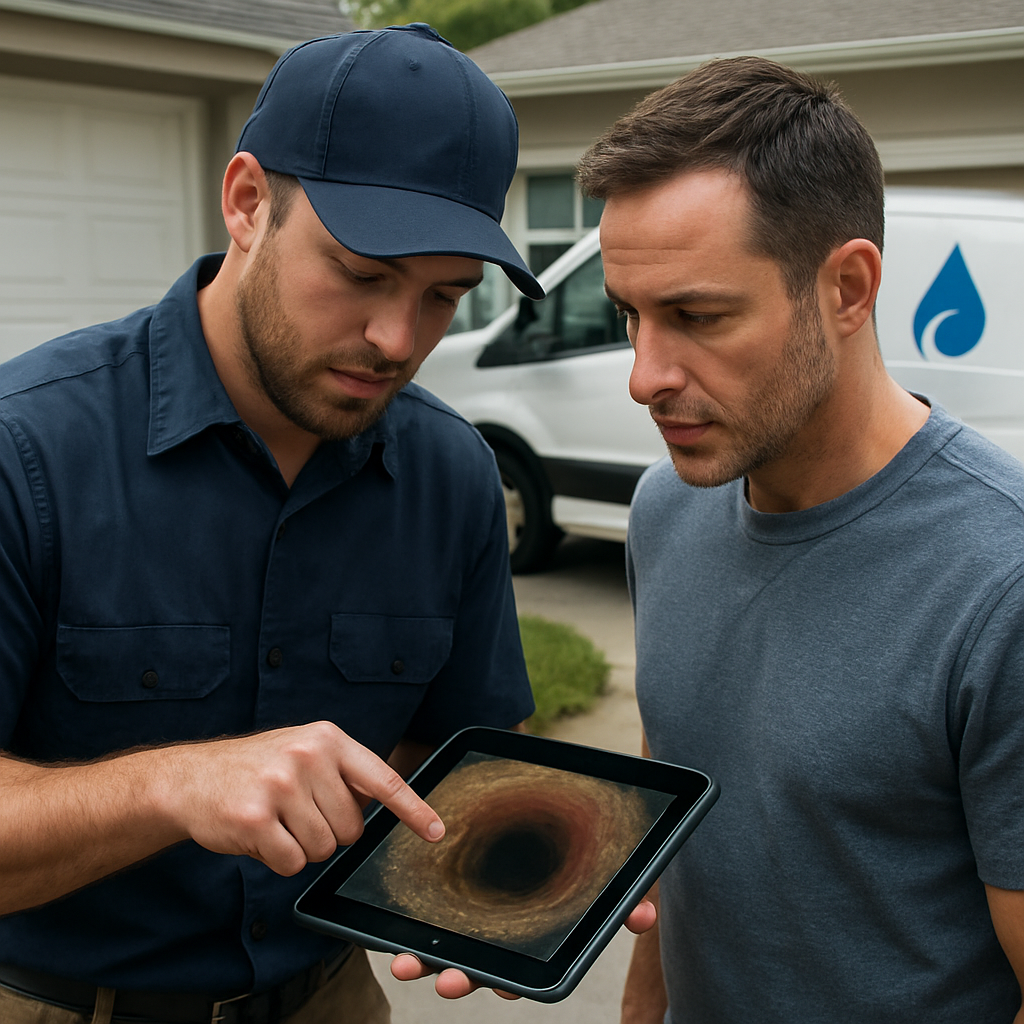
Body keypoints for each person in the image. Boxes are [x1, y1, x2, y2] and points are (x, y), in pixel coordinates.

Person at [0, 24, 544, 1024]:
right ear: (247, 201)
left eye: (443, 298)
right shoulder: (25, 452)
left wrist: (540, 865)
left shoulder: (452, 475)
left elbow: (461, 764)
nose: (397, 340)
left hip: (331, 998)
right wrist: (175, 784)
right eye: (364, 274)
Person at [574, 57, 1024, 1024]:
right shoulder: (665, 509)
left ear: (848, 289)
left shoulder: (1004, 582)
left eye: (697, 316)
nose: (644, 374)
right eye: (631, 317)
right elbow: (674, 832)